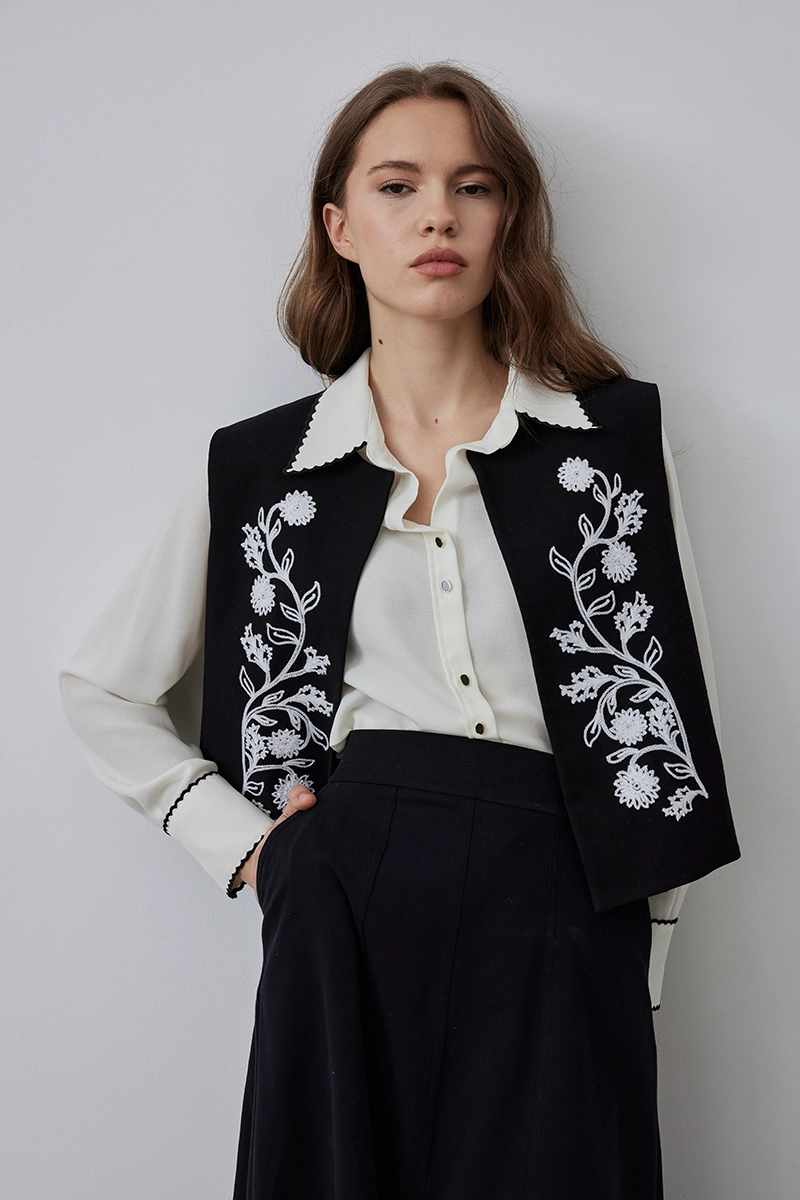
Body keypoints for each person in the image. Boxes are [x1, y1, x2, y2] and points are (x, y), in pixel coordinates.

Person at [59, 61, 740, 1200]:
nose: (437, 216)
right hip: (346, 897)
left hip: (564, 897)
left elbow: (671, 719)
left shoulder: (608, 442)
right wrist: (253, 852)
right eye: (397, 186)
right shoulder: (264, 467)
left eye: (473, 186)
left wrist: (643, 955)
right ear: (340, 227)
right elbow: (103, 688)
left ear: (507, 217)